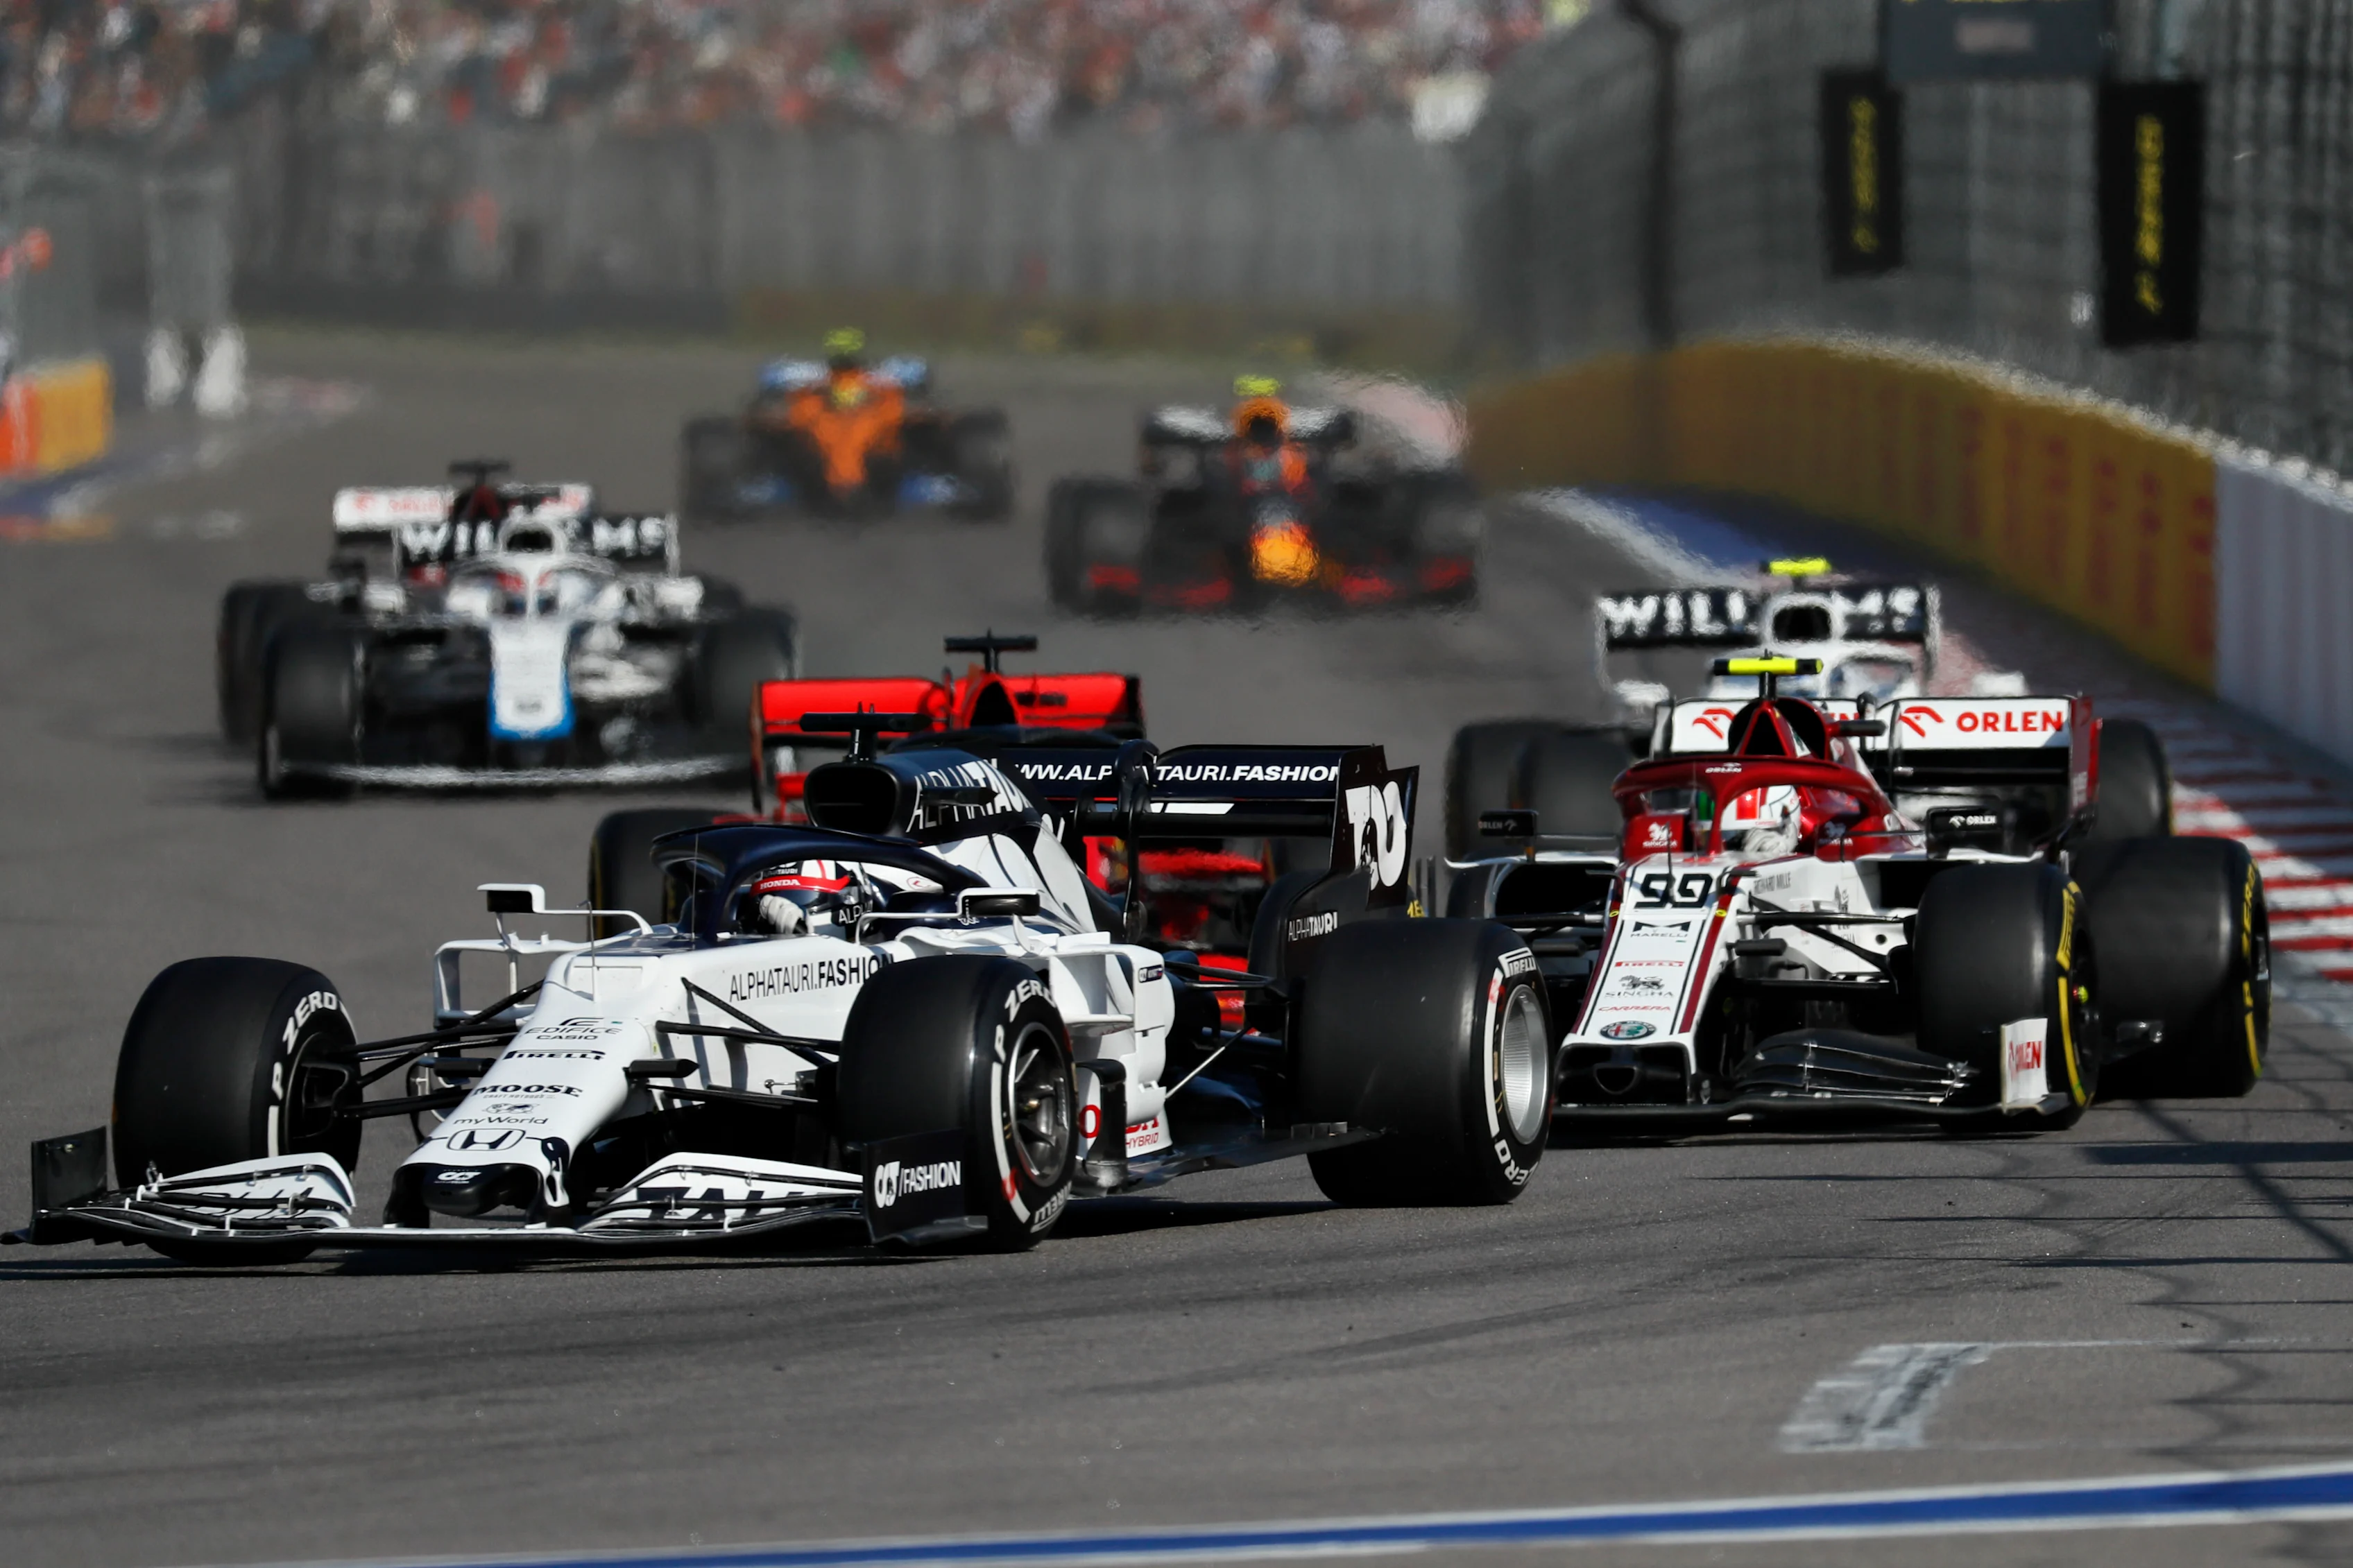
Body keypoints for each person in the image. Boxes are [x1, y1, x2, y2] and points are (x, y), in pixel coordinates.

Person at [784, 327, 906, 499]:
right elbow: (797, 417)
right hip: (823, 450)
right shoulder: (809, 387)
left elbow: (896, 414)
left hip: (873, 451)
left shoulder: (882, 384)